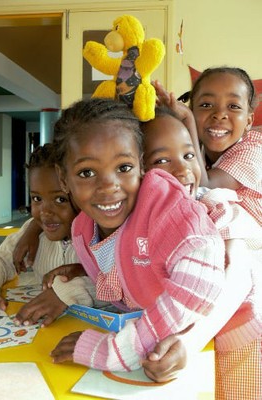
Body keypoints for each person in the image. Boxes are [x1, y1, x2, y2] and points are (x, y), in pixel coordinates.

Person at [48, 97, 225, 372]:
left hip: (224, 338)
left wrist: (117, 352)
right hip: (163, 342)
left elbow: (199, 282)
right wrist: (69, 292)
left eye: (123, 168)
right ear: (63, 179)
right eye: (87, 172)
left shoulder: (164, 204)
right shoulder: (83, 228)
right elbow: (121, 285)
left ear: (141, 165)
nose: (109, 186)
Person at [141, 106, 262, 399]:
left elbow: (238, 280)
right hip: (181, 346)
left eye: (189, 155)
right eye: (162, 160)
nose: (183, 170)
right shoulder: (146, 219)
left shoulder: (215, 206)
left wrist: (190, 341)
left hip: (237, 343)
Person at [0, 143, 97, 327]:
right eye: (37, 199)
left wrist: (64, 293)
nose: (45, 212)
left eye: (60, 199)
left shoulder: (100, 234)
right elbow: (0, 259)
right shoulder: (33, 232)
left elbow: (116, 285)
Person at [154, 66, 262, 226]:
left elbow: (206, 184)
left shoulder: (254, 150)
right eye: (206, 105)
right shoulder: (195, 146)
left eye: (233, 106)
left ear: (248, 121)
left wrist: (188, 120)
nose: (219, 114)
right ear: (193, 109)